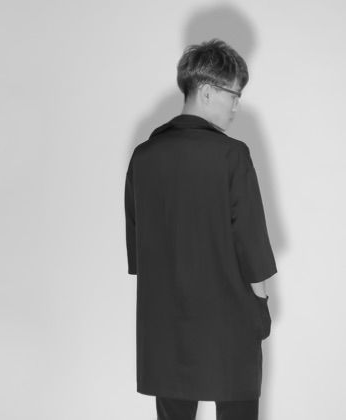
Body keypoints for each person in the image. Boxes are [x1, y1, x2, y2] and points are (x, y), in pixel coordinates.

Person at [124, 38, 277, 420]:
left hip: (166, 328)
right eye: (234, 95)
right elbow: (253, 248)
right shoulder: (232, 155)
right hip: (229, 323)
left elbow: (140, 254)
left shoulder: (143, 157)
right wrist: (261, 307)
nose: (236, 107)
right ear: (207, 92)